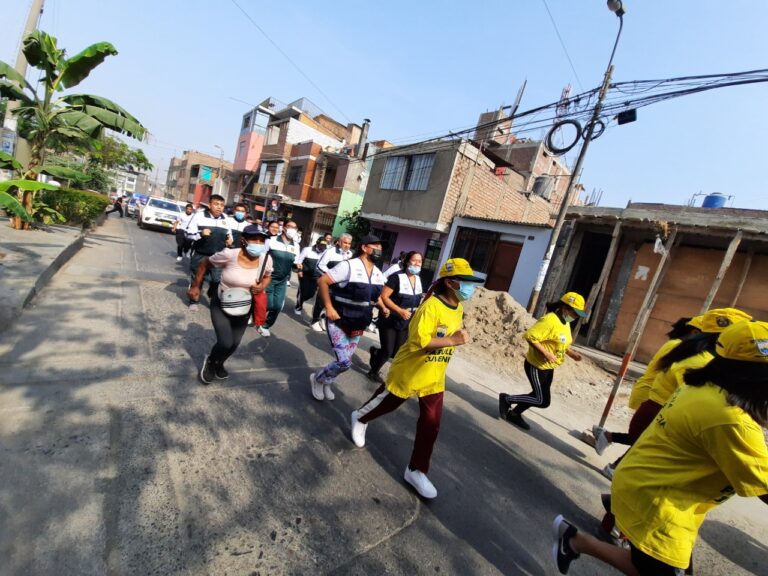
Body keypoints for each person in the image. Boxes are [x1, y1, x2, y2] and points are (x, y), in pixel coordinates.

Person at [552, 319, 768, 576]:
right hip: (659, 504)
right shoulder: (731, 419)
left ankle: (576, 541)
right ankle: (583, 537)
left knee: (646, 567)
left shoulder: (704, 384)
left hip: (652, 486)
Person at [349, 258, 483, 499]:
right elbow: (420, 341)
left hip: (434, 377)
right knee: (385, 403)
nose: (471, 288)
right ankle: (359, 417)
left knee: (431, 425)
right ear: (451, 283)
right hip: (411, 371)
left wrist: (454, 338)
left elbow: (447, 336)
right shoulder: (430, 307)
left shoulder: (458, 307)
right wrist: (453, 340)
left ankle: (416, 470)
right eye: (467, 282)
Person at [600, 307, 752, 479]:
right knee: (643, 447)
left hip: (658, 404)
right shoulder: (695, 358)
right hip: (655, 401)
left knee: (642, 445)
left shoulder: (692, 353)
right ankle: (615, 466)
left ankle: (613, 457)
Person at [592, 317, 696, 457]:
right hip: (652, 392)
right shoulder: (677, 345)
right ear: (693, 332)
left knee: (644, 436)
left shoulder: (676, 343)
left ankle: (608, 439)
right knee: (644, 438)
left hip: (654, 392)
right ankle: (611, 451)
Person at [188, 225, 272, 384]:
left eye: (262, 240)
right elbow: (204, 264)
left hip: (245, 306)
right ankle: (211, 362)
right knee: (225, 341)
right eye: (255, 239)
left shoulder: (266, 260)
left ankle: (219, 362)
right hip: (221, 303)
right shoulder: (229, 254)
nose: (258, 243)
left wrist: (262, 286)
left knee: (234, 343)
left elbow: (268, 276)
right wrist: (196, 286)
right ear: (244, 240)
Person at [310, 234, 388, 401]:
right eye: (375, 246)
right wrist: (329, 307)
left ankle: (327, 380)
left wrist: (382, 306)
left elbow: (374, 295)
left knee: (345, 361)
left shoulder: (378, 273)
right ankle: (318, 379)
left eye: (381, 248)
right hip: (339, 320)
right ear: (364, 247)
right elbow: (323, 282)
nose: (379, 250)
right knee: (344, 362)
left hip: (359, 322)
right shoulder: (348, 266)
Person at [498, 292, 585, 430]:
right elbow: (530, 336)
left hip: (548, 368)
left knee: (538, 396)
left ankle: (514, 414)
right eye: (575, 314)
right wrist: (545, 353)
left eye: (578, 315)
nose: (576, 317)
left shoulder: (565, 323)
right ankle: (507, 399)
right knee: (541, 400)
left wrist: (572, 353)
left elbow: (561, 342)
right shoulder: (550, 320)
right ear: (565, 308)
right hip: (536, 366)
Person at [368, 251, 424, 383]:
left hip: (407, 320)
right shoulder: (396, 277)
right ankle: (373, 371)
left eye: (419, 261)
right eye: (414, 260)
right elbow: (384, 296)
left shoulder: (419, 280)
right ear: (406, 261)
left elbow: (418, 300)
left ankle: (376, 353)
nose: (417, 264)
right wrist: (399, 310)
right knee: (387, 350)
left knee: (396, 352)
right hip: (391, 318)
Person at [185, 194, 232, 312]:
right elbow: (188, 234)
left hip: (218, 256)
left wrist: (229, 239)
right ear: (210, 205)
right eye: (216, 204)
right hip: (201, 254)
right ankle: (194, 300)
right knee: (197, 278)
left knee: (217, 280)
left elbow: (228, 234)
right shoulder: (199, 216)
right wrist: (200, 233)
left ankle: (212, 293)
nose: (219, 207)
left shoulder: (226, 218)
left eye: (222, 205)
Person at [257, 219, 300, 337]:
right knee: (269, 304)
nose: (292, 229)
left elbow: (295, 263)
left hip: (282, 280)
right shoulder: (271, 240)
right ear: (284, 228)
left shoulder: (296, 246)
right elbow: (261, 257)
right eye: (290, 226)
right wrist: (259, 276)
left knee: (277, 306)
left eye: (295, 228)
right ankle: (256, 317)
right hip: (269, 277)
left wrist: (298, 267)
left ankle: (265, 325)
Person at [310, 233, 353, 331]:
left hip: (340, 285)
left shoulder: (349, 254)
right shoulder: (330, 252)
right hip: (327, 283)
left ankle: (323, 319)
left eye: (349, 244)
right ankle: (314, 320)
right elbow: (319, 265)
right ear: (339, 242)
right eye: (345, 243)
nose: (347, 245)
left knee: (334, 304)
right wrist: (331, 275)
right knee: (321, 302)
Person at [293, 236, 328, 316]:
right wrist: (299, 271)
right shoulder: (307, 250)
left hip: (316, 276)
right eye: (321, 246)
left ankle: (301, 298)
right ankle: (298, 306)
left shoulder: (325, 252)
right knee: (303, 291)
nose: (322, 248)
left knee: (311, 294)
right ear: (317, 244)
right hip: (304, 274)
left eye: (324, 247)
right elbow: (299, 261)